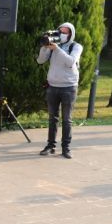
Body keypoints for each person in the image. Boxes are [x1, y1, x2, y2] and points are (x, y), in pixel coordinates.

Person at [37, 22, 83, 159]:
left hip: (69, 87)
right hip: (53, 86)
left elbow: (70, 61)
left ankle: (66, 148)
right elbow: (40, 61)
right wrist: (45, 47)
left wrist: (56, 49)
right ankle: (50, 146)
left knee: (67, 120)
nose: (62, 34)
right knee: (52, 119)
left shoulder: (76, 46)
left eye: (65, 32)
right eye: (60, 31)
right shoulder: (52, 46)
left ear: (71, 34)